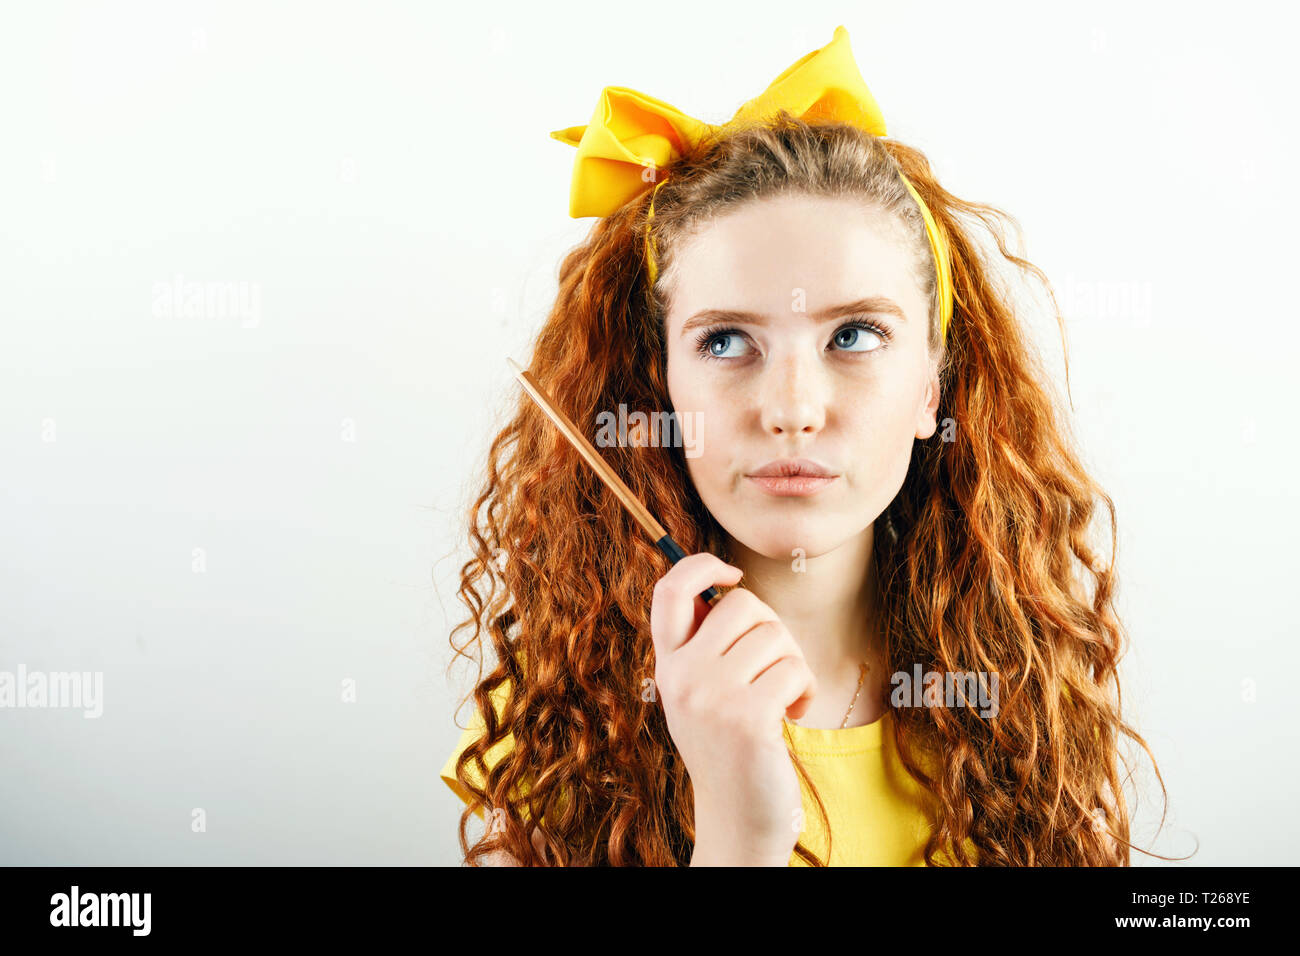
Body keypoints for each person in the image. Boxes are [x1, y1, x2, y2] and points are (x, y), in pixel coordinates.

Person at [440, 25, 1169, 866]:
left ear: (932, 389)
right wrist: (741, 832)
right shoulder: (557, 727)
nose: (791, 411)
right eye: (724, 342)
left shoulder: (1024, 704)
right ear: (660, 386)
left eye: (854, 335)